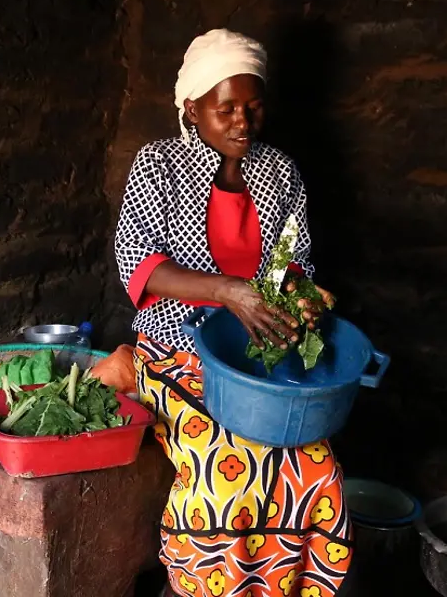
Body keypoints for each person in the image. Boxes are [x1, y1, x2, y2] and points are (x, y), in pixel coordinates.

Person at [115, 29, 353, 597]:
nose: (243, 122)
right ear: (192, 109)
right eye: (226, 110)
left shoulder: (280, 173)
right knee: (229, 469)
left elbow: (293, 263)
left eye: (253, 107)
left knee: (316, 467)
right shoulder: (158, 166)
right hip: (176, 353)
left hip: (255, 363)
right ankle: (204, 586)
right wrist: (226, 291)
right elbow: (137, 264)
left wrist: (301, 294)